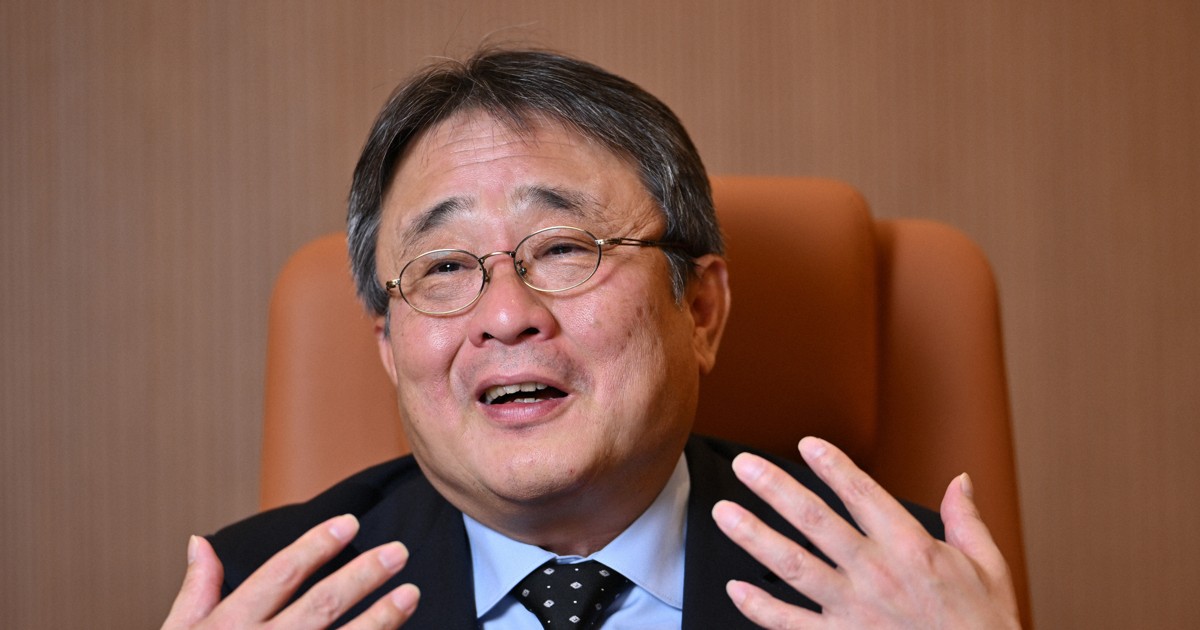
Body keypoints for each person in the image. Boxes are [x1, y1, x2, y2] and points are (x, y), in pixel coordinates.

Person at [163, 48, 1020, 629]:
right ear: (389, 349)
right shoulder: (259, 600)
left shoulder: (903, 585)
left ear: (700, 310)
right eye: (444, 267)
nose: (506, 315)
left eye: (565, 249)